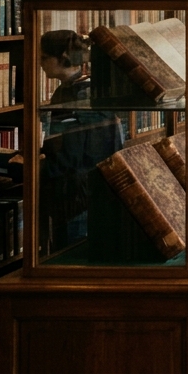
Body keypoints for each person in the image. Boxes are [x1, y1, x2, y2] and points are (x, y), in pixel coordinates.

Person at [38, 30, 123, 251]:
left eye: (44, 58)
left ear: (63, 57)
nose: (40, 64)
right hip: (87, 190)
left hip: (78, 196)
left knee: (73, 254)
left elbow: (71, 155)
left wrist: (31, 168)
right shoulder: (78, 90)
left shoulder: (77, 96)